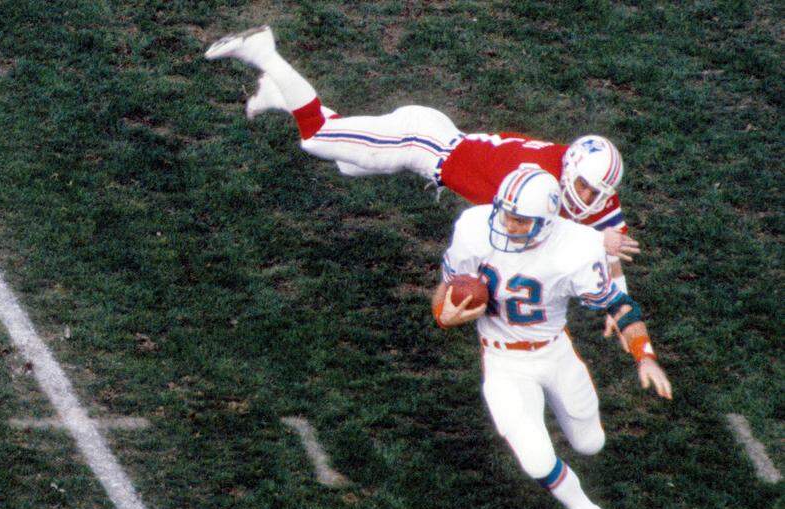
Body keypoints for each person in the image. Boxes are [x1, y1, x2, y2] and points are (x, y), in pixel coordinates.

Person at [204, 25, 640, 329]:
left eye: (596, 192)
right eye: (585, 186)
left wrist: (616, 303)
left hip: (435, 142)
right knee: (317, 137)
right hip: (419, 143)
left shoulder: (592, 186)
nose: (589, 197)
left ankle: (276, 94)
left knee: (347, 162)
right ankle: (264, 51)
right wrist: (594, 243)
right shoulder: (534, 175)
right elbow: (544, 231)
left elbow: (612, 251)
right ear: (570, 167)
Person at [429, 165, 670, 509]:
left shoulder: (574, 248)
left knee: (590, 444)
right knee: (537, 460)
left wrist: (644, 355)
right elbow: (447, 289)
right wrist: (443, 313)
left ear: (547, 221)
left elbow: (620, 305)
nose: (508, 225)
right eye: (506, 213)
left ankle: (586, 487)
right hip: (503, 360)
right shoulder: (474, 227)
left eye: (521, 219)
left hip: (555, 353)